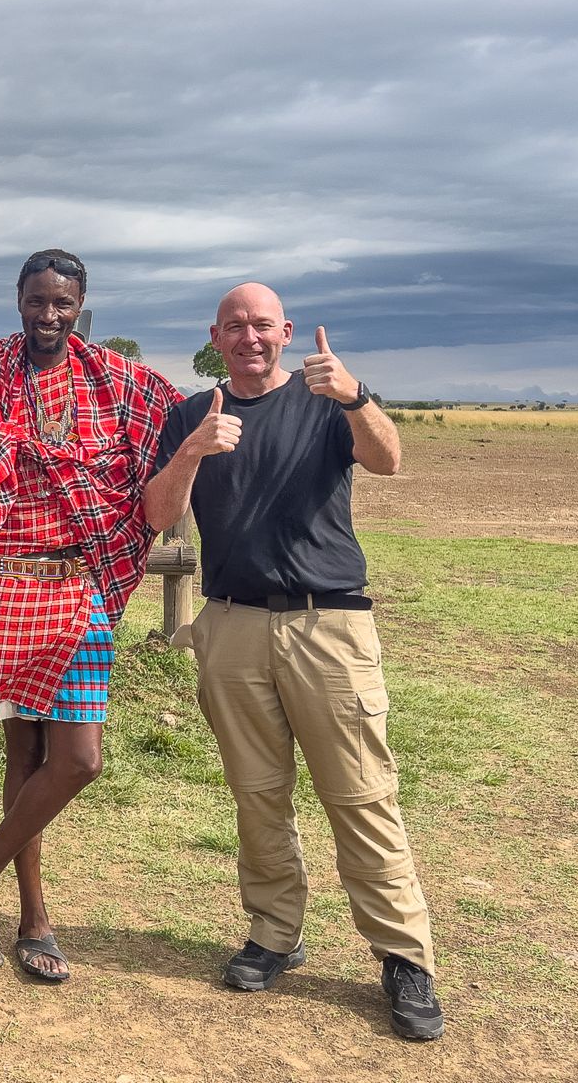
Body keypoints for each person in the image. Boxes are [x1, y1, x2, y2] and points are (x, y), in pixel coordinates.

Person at [143, 282, 443, 1041]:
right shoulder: (192, 413)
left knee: (362, 793)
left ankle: (404, 957)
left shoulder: (324, 397)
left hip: (329, 625)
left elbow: (389, 461)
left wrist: (355, 395)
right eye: (235, 326)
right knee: (258, 793)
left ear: (285, 332)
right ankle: (275, 934)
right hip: (234, 625)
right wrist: (190, 451)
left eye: (262, 325)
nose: (249, 337)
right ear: (216, 335)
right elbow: (158, 516)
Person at [0, 251, 182, 979]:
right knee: (22, 755)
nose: (48, 315)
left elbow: (184, 422)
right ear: (18, 300)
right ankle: (35, 916)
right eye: (36, 301)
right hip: (5, 587)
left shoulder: (120, 383)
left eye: (62, 303)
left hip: (78, 587)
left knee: (78, 758)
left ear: (80, 305)